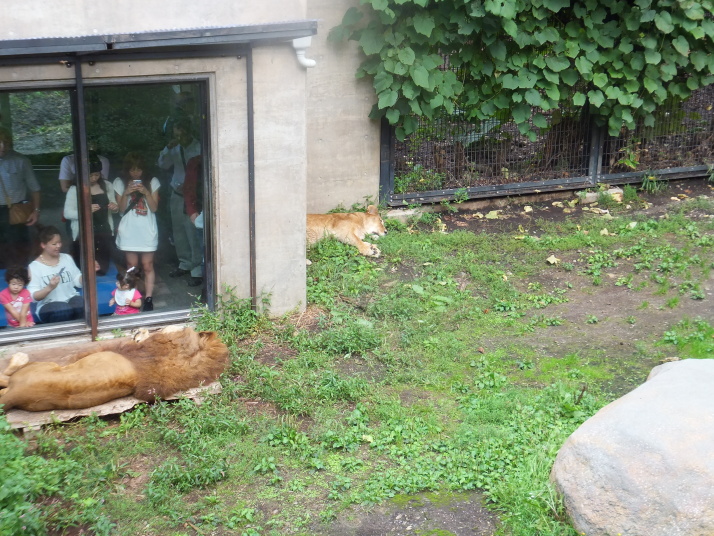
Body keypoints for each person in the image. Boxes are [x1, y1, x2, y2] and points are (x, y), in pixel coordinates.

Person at [157, 117, 202, 285]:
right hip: (176, 194)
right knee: (179, 231)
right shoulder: (174, 148)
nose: (180, 137)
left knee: (193, 232)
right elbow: (162, 164)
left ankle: (197, 270)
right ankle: (184, 263)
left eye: (182, 133)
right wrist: (167, 149)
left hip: (193, 196)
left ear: (189, 131)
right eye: (177, 134)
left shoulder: (198, 147)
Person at [114, 152, 160, 312]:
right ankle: (132, 296)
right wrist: (126, 192)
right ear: (127, 169)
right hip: (129, 229)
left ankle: (148, 298)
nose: (135, 173)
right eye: (132, 169)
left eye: (139, 169)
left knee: (148, 265)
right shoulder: (119, 182)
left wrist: (146, 192)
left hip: (147, 229)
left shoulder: (152, 181)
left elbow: (154, 208)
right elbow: (120, 210)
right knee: (131, 266)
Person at [27, 226, 95, 324]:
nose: (58, 246)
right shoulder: (34, 266)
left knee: (84, 304)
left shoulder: (67, 258)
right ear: (43, 245)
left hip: (71, 299)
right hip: (48, 305)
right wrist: (49, 288)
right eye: (54, 244)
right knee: (62, 309)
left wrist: (89, 272)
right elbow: (33, 297)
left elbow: (77, 281)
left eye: (59, 242)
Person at [63, 155, 118, 275]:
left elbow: (114, 207)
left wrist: (114, 207)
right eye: (90, 175)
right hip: (84, 230)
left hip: (104, 229)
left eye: (97, 175)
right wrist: (86, 211)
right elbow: (67, 213)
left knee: (102, 268)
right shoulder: (75, 189)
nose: (94, 178)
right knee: (84, 268)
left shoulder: (107, 185)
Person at [0, 127, 41, 269]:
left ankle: (20, 276)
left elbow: (35, 188)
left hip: (15, 210)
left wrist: (36, 210)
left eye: (5, 142)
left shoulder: (21, 161)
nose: (2, 146)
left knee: (18, 249)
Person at [183, 154, 204, 289]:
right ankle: (206, 288)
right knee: (202, 248)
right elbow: (189, 187)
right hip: (201, 209)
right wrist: (191, 210)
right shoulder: (195, 162)